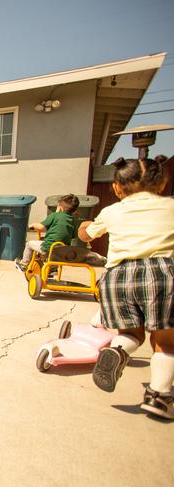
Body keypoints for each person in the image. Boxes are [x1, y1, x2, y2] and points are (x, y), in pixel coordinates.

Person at [78, 155, 174, 419]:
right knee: (165, 343)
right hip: (161, 274)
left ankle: (118, 349)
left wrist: (86, 226)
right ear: (162, 183)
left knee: (132, 333)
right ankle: (159, 396)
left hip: (117, 277)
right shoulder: (170, 207)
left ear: (117, 188)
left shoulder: (112, 211)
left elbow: (86, 234)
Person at [15, 193, 80, 271]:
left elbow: (41, 227)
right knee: (55, 249)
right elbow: (74, 236)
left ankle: (24, 264)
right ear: (75, 211)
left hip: (48, 248)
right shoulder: (74, 221)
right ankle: (52, 269)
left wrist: (32, 225)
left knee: (29, 244)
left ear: (60, 207)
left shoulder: (55, 215)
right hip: (63, 251)